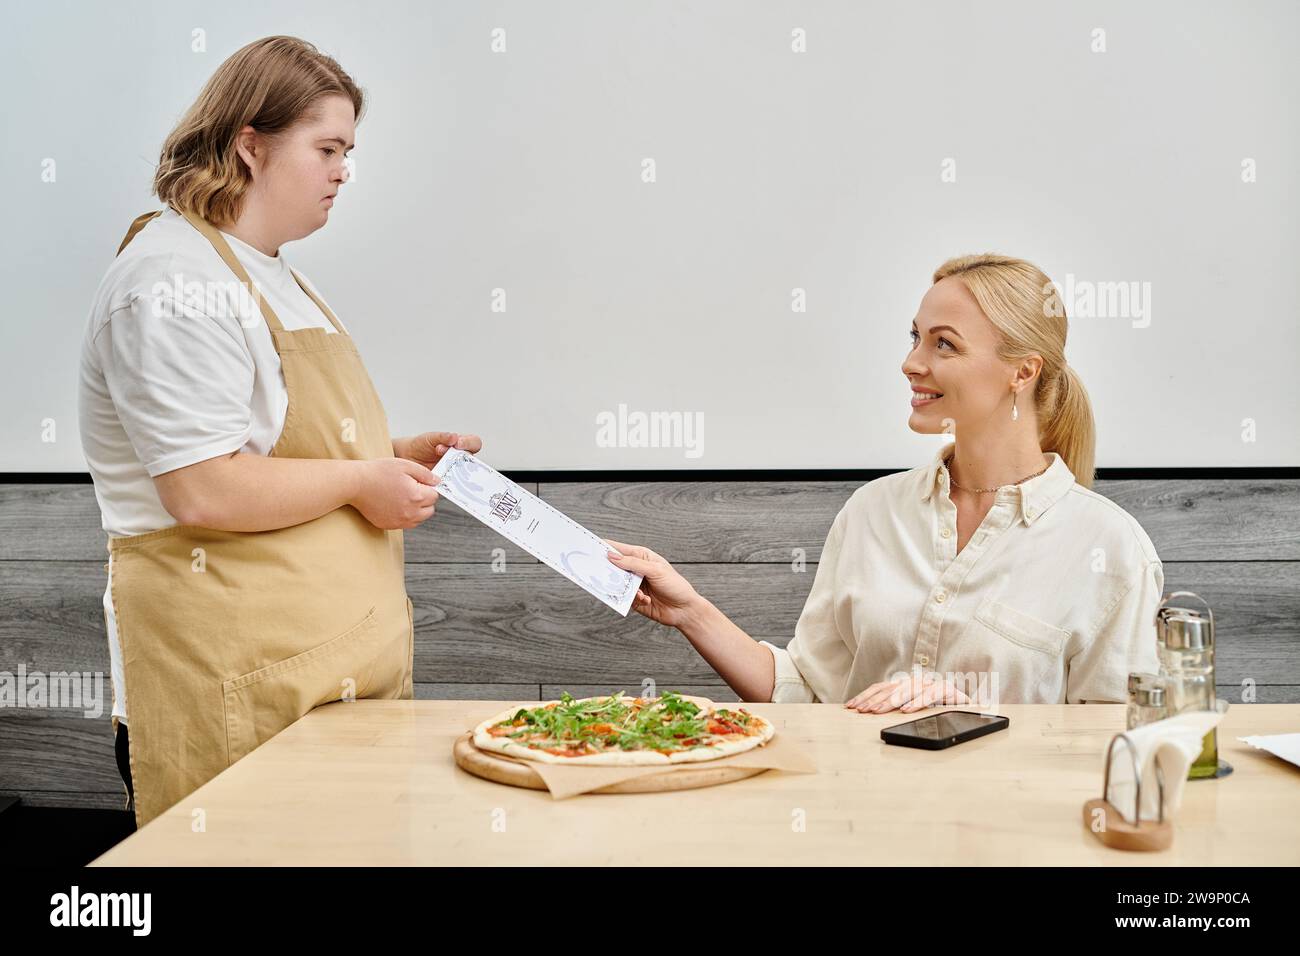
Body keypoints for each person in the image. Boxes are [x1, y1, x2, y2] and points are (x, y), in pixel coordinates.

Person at [77, 36, 480, 827]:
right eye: (327, 148)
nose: (343, 172)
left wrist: (393, 457)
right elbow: (202, 486)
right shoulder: (174, 281)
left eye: (348, 151)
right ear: (249, 146)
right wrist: (364, 481)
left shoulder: (275, 272)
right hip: (233, 696)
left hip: (328, 687)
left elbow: (277, 453)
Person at [606, 254, 1162, 711]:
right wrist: (690, 612)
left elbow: (1117, 750)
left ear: (1023, 371)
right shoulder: (873, 511)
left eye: (943, 344)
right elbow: (808, 692)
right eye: (915, 338)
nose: (910, 362)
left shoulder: (1109, 548)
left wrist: (977, 718)